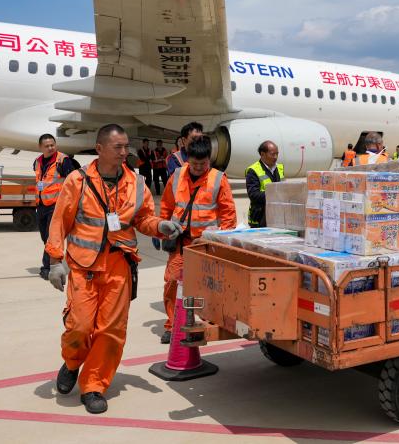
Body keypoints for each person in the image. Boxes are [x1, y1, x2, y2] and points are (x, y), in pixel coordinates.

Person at [44, 124, 183, 414]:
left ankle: (94, 385)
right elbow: (60, 220)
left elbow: (143, 219)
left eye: (126, 146)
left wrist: (160, 226)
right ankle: (72, 362)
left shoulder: (137, 182)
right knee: (80, 327)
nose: (124, 152)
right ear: (99, 149)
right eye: (117, 147)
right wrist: (55, 261)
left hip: (120, 265)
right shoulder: (78, 180)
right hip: (84, 266)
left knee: (111, 330)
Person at [159, 135, 237, 343]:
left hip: (205, 245)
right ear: (188, 159)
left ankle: (207, 323)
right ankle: (173, 325)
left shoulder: (218, 179)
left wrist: (218, 238)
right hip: (181, 242)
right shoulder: (177, 176)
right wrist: (161, 229)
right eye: (194, 164)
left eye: (203, 164)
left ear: (209, 160)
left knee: (207, 287)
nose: (199, 168)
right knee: (173, 282)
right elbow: (166, 206)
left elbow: (229, 216)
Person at [33, 134, 79, 281]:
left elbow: (74, 181)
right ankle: (53, 260)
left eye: (52, 145)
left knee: (51, 237)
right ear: (40, 147)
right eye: (47, 146)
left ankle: (47, 268)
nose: (50, 148)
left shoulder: (63, 161)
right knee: (44, 237)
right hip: (41, 205)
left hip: (56, 205)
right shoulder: (37, 162)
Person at [245, 140, 282, 228]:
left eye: (277, 154)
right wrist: (275, 195)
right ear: (262, 154)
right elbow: (253, 195)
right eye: (272, 154)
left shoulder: (279, 168)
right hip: (260, 218)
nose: (275, 157)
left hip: (276, 216)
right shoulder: (253, 170)